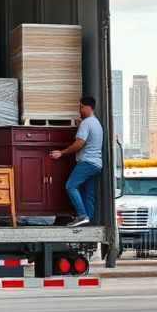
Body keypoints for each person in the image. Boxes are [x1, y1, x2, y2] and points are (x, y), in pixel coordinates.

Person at [50, 96, 103, 227]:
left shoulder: (86, 123)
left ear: (87, 107)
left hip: (87, 162)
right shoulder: (96, 123)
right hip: (97, 164)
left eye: (80, 107)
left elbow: (79, 144)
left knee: (70, 186)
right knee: (89, 193)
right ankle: (88, 219)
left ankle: (82, 216)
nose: (79, 110)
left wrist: (61, 153)